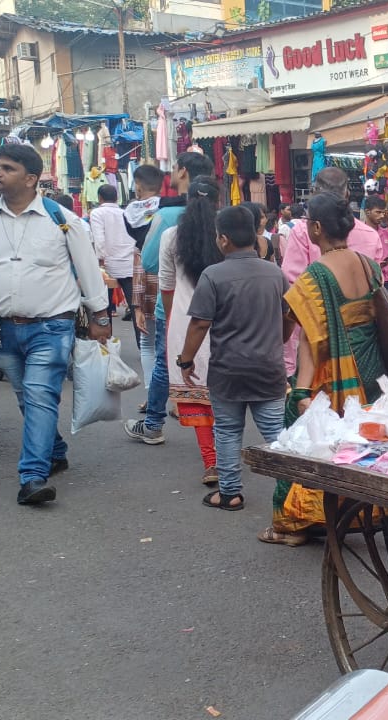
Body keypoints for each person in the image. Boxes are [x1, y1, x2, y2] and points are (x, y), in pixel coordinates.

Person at [0, 144, 111, 505]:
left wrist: (100, 315)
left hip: (52, 326)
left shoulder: (63, 219)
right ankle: (55, 449)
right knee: (27, 397)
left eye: (8, 168)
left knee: (39, 394)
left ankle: (32, 477)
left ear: (31, 179)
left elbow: (87, 270)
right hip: (3, 329)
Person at [265, 194, 387, 544]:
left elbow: (308, 338)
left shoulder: (316, 274)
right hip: (370, 370)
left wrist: (301, 391)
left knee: (307, 440)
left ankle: (294, 525)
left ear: (316, 228)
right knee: (360, 440)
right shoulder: (368, 265)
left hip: (333, 372)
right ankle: (364, 512)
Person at [177, 205, 289, 512]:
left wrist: (185, 361)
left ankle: (230, 492)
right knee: (276, 433)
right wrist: (279, 338)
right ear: (255, 235)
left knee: (227, 430)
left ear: (223, 239)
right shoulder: (275, 273)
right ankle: (295, 493)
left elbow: (200, 323)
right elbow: (289, 315)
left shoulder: (213, 275)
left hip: (228, 369)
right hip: (268, 367)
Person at [125, 151, 214, 445]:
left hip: (176, 306)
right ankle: (223, 433)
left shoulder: (167, 217)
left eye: (174, 168)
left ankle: (153, 424)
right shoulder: (222, 216)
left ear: (184, 172)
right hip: (217, 307)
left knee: (167, 363)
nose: (172, 174)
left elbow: (149, 262)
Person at [282, 167, 384, 378]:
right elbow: (377, 292)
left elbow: (295, 291)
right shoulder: (370, 237)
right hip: (365, 343)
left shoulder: (313, 260)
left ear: (317, 228)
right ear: (347, 195)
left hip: (319, 341)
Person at [159, 177, 224, 486]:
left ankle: (212, 462)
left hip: (187, 323)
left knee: (197, 395)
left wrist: (171, 320)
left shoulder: (171, 236)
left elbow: (167, 286)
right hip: (225, 321)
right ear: (217, 202)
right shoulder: (225, 235)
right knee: (225, 396)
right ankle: (226, 455)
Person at [127, 165, 164, 396]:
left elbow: (140, 255)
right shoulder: (168, 211)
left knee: (148, 342)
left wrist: (136, 305)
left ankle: (153, 395)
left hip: (146, 279)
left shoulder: (130, 212)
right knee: (170, 342)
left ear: (137, 185)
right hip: (170, 279)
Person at [89, 184, 137, 321]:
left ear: (100, 198)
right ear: (117, 198)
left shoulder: (97, 213)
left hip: (108, 266)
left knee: (104, 309)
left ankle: (106, 340)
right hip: (128, 264)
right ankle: (142, 342)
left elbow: (99, 240)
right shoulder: (125, 213)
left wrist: (100, 260)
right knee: (135, 308)